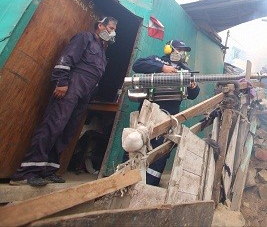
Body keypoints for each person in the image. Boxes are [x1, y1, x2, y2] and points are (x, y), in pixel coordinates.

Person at [10, 17, 118, 187]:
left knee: (68, 130)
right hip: (72, 85)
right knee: (54, 124)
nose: (112, 32)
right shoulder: (84, 38)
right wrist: (61, 82)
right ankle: (26, 172)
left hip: (85, 92)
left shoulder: (102, 50)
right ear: (100, 26)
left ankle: (48, 170)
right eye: (110, 28)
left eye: (113, 29)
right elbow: (66, 59)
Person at [131, 39, 200, 186]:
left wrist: (194, 87)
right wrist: (162, 67)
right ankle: (128, 179)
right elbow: (137, 65)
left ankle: (150, 184)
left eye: (184, 51)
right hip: (149, 111)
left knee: (161, 149)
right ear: (169, 49)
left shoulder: (186, 70)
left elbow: (194, 95)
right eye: (178, 49)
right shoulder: (156, 60)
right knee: (137, 142)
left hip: (169, 114)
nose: (181, 53)